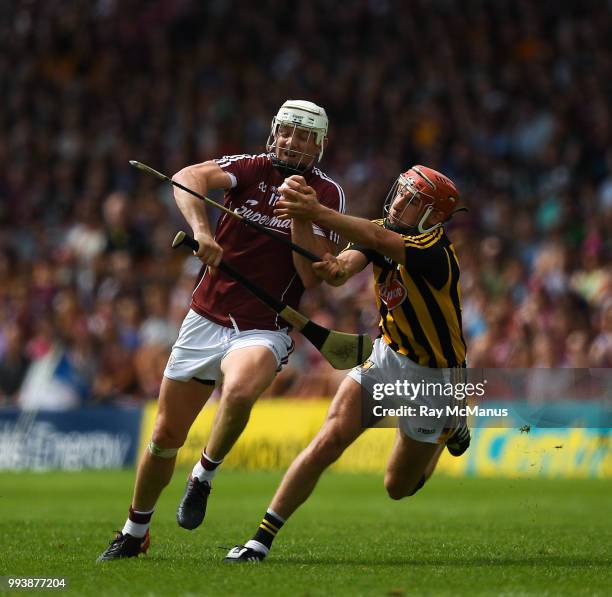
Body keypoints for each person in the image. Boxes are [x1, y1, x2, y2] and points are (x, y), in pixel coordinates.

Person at [97, 100, 346, 561]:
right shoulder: (249, 169)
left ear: (319, 144)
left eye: (305, 135)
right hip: (205, 318)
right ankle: (135, 531)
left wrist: (300, 215)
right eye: (287, 131)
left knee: (239, 390)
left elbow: (312, 277)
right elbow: (188, 177)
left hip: (265, 326)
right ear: (274, 132)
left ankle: (204, 475)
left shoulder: (326, 195)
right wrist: (203, 231)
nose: (293, 141)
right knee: (163, 438)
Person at [224, 165, 470, 562]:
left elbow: (374, 238)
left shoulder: (434, 251)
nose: (401, 201)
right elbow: (341, 270)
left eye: (414, 201)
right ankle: (260, 540)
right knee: (329, 439)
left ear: (434, 216)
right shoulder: (380, 230)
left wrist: (316, 210)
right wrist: (314, 236)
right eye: (402, 191)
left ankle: (448, 431)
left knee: (397, 486)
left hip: (436, 376)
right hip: (388, 356)